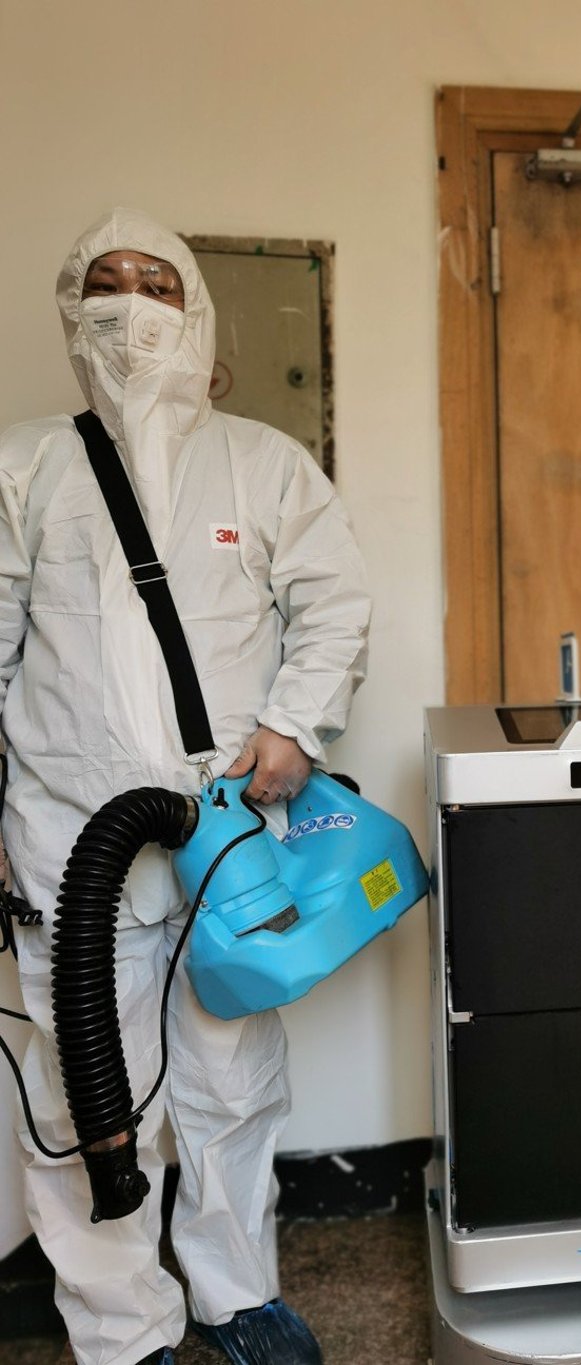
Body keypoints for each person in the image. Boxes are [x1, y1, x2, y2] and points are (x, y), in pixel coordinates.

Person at [0, 208, 370, 1364]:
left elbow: (334, 606)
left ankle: (235, 1295)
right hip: (68, 837)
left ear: (194, 308)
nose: (128, 302)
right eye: (103, 282)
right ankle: (121, 1330)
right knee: (81, 1102)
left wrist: (293, 724)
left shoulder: (263, 462)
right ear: (73, 311)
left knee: (229, 1081)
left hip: (222, 839)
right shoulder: (25, 465)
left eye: (155, 281)